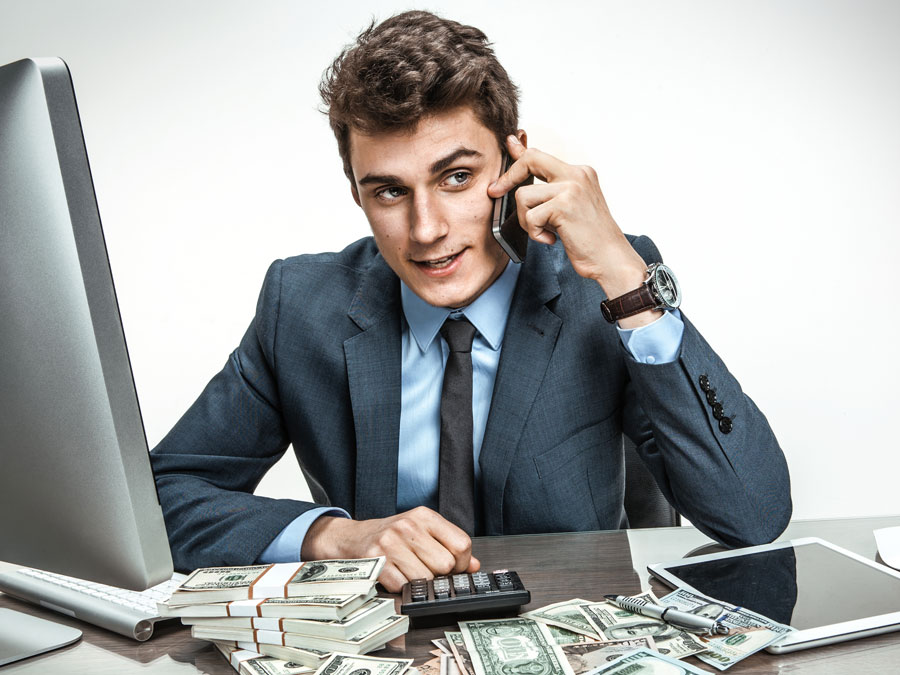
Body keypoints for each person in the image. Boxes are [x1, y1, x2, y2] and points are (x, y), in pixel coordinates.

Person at [150, 10, 791, 592]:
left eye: (457, 177)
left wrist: (628, 275)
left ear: (514, 161)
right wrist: (334, 537)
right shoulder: (301, 304)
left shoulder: (598, 286)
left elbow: (753, 515)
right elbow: (161, 496)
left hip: (571, 642)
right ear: (356, 193)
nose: (426, 229)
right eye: (389, 192)